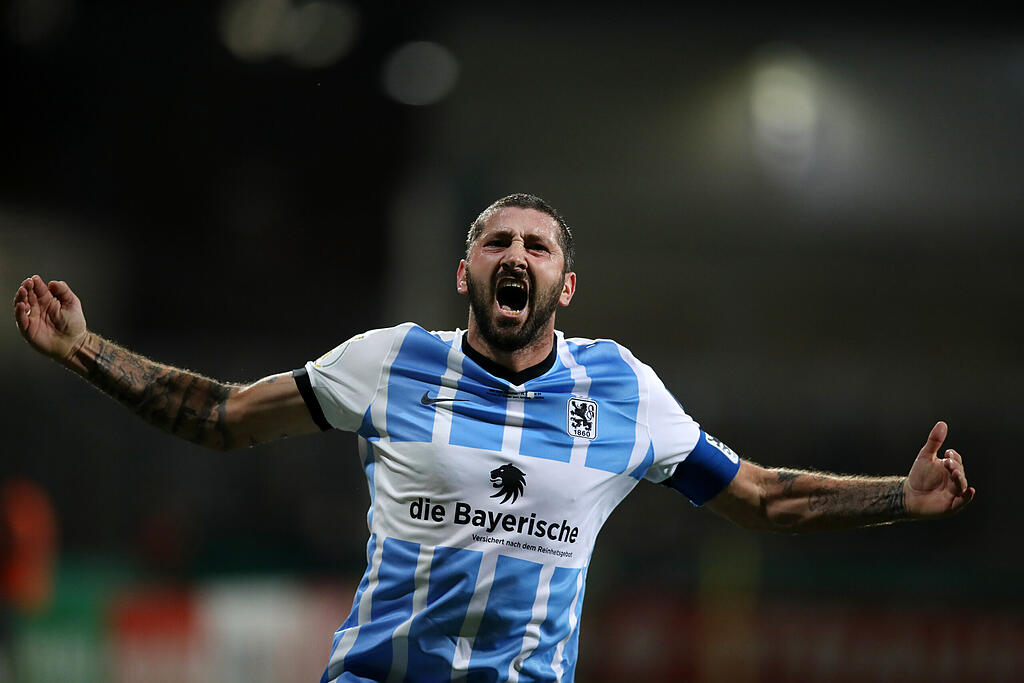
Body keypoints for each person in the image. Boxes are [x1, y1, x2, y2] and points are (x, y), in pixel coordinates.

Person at [12, 193, 974, 682]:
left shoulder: (622, 389)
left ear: (566, 285)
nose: (516, 254)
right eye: (496, 242)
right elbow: (224, 416)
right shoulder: (391, 360)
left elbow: (759, 495)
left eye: (537, 245)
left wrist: (901, 494)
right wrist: (83, 349)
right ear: (464, 272)